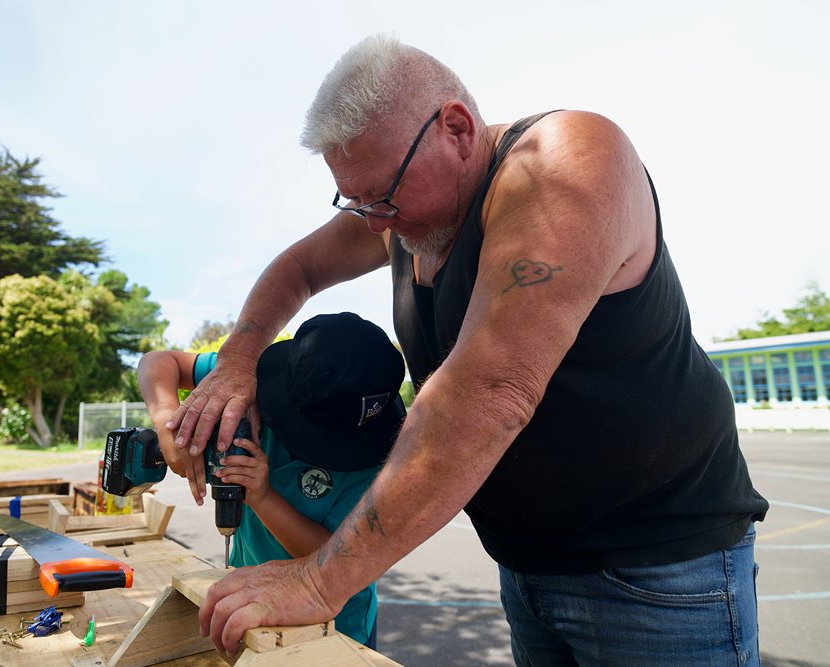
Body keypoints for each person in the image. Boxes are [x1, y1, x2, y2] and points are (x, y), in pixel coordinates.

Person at [169, 34, 770, 665]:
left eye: (384, 196)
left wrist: (320, 581)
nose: (375, 223)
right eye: (357, 201)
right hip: (529, 566)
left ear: (455, 129)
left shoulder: (562, 162)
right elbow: (298, 267)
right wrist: (237, 362)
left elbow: (489, 393)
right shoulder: (396, 216)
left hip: (658, 572)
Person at [137, 311, 406, 648]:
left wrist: (264, 498)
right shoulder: (249, 379)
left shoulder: (378, 460)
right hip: (248, 594)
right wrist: (168, 422)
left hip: (336, 626)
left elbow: (344, 558)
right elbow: (157, 362)